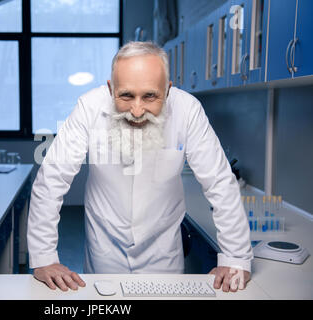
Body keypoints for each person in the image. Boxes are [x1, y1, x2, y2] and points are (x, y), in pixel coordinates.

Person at [27, 41, 253, 293]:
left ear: (167, 91)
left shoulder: (187, 110)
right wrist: (44, 257)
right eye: (126, 95)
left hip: (163, 251)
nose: (136, 110)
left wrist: (235, 257)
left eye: (149, 96)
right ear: (111, 88)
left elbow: (219, 181)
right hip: (104, 249)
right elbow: (51, 179)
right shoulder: (88, 107)